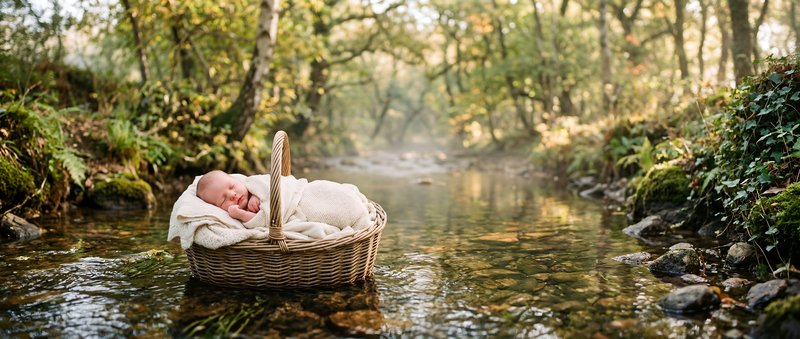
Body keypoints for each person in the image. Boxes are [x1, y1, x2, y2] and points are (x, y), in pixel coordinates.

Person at [196, 170, 261, 223]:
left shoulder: (253, 183)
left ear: (237, 180)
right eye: (223, 200)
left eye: (232, 187)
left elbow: (266, 183)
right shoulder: (236, 217)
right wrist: (242, 215)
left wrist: (257, 194)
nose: (232, 195)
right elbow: (262, 222)